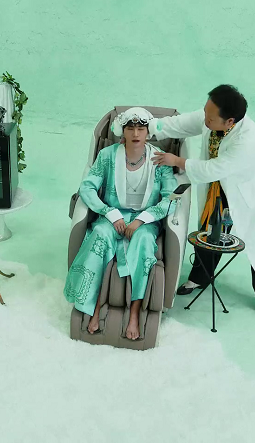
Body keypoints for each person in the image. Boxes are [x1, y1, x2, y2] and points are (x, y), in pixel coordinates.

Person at [150, 85, 255, 322]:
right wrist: (149, 125)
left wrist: (177, 160)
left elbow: (213, 168)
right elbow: (181, 124)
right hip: (217, 190)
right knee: (209, 234)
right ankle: (200, 278)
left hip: (245, 194)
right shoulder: (211, 116)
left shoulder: (247, 140)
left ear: (229, 121)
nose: (205, 119)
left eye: (210, 118)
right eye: (205, 112)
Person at [64, 107, 177, 340]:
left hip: (145, 220)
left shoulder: (159, 159)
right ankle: (94, 308)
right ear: (122, 131)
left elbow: (171, 198)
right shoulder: (107, 156)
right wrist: (109, 212)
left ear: (148, 132)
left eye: (141, 128)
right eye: (130, 128)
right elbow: (87, 187)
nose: (135, 133)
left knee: (144, 241)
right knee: (100, 234)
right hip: (112, 216)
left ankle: (134, 313)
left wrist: (142, 220)